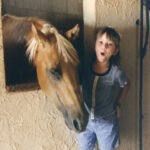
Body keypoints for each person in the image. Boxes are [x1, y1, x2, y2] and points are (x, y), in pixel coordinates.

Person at [78, 27, 130, 150]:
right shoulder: (85, 66)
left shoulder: (116, 73)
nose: (104, 47)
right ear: (94, 45)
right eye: (100, 42)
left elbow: (127, 84)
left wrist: (119, 103)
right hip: (86, 120)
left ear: (115, 51)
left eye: (109, 44)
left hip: (106, 122)